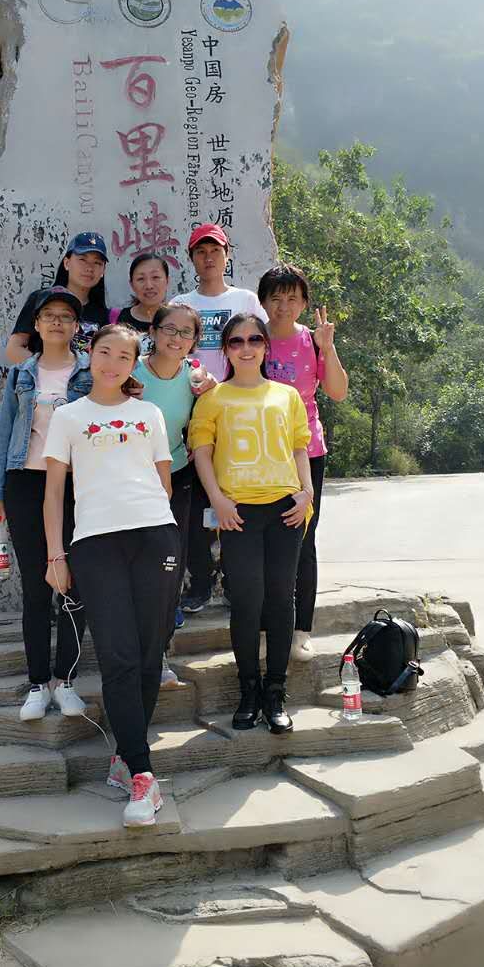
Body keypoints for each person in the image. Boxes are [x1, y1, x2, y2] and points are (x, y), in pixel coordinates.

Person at [43, 324, 181, 829]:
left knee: (148, 655)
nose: (113, 363)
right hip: (95, 544)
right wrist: (56, 555)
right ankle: (144, 775)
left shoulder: (149, 414)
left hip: (155, 536)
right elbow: (53, 493)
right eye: (105, 352)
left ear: (134, 363)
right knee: (118, 656)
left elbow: (164, 482)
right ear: (90, 353)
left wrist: (149, 521)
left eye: (124, 356)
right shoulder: (68, 416)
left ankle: (127, 758)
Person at [188, 314, 313, 734]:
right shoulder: (213, 398)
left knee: (280, 599)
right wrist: (218, 500)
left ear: (265, 346)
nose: (246, 347)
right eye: (237, 341)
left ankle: (276, 692)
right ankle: (249, 691)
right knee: (246, 601)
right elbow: (202, 452)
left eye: (255, 339)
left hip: (285, 510)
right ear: (226, 349)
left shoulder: (286, 395)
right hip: (237, 512)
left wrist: (307, 492)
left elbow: (299, 448)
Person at [0, 288, 91, 722]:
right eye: (49, 316)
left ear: (76, 326)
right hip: (25, 483)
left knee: (74, 584)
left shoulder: (90, 371)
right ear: (38, 325)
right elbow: (5, 433)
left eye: (66, 316)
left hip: (77, 485)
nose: (57, 322)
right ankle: (37, 683)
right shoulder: (21, 374)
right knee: (35, 586)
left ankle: (66, 681)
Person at [170, 223, 267, 613]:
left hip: (237, 411)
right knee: (195, 505)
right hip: (189, 413)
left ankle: (233, 577)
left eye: (215, 250)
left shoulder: (245, 299)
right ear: (191, 258)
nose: (208, 257)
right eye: (200, 251)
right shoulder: (181, 303)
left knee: (237, 497)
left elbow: (263, 349)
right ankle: (200, 580)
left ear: (227, 255)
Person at [259, 264, 349, 661]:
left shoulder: (312, 341)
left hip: (306, 450)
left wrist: (327, 348)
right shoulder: (252, 337)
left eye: (292, 298)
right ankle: (267, 627)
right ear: (263, 302)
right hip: (259, 453)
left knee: (304, 539)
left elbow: (338, 392)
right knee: (264, 539)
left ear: (304, 303)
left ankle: (301, 630)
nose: (283, 306)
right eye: (275, 298)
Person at [131, 303, 206, 684]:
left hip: (176, 479)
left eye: (185, 332)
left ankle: (159, 653)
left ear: (194, 341)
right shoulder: (131, 371)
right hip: (130, 483)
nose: (176, 338)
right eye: (169, 329)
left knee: (169, 569)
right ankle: (130, 652)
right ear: (153, 332)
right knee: (133, 567)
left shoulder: (195, 379)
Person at [6, 232, 109, 365]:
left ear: (103, 270)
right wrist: (48, 370)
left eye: (97, 263)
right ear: (67, 263)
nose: (89, 268)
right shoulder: (41, 299)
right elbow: (14, 349)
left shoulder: (103, 314)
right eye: (82, 259)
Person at [109, 252, 172, 354]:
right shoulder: (116, 319)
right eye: (141, 279)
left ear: (167, 280)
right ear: (132, 284)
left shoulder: (177, 320)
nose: (149, 286)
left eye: (155, 277)